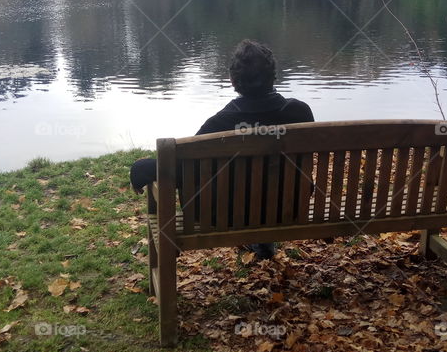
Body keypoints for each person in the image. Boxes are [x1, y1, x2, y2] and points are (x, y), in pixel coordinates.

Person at [130, 39, 314, 260]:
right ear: (274, 76)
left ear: (233, 81)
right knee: (266, 181)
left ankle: (258, 240)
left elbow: (183, 171)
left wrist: (141, 168)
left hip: (225, 216)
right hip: (287, 208)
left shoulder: (218, 125)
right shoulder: (300, 113)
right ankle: (262, 241)